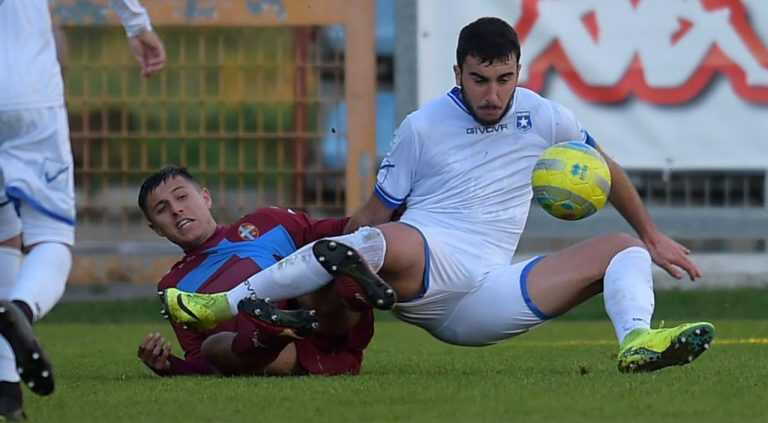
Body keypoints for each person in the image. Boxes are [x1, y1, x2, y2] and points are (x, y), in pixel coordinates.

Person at [161, 17, 715, 374]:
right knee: (377, 238)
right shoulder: (423, 127)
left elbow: (605, 168)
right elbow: (373, 212)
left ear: (519, 71)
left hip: (489, 292)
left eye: (504, 78)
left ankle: (636, 343)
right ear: (458, 72)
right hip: (427, 259)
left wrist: (651, 234)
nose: (493, 93)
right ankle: (223, 304)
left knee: (623, 250)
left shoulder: (546, 116)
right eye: (480, 79)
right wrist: (341, 237)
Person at [0, 0, 166, 422]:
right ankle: (20, 309)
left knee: (3, 235)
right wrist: (137, 24)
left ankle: (6, 390)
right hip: (29, 98)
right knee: (50, 236)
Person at [137, 166, 375, 378]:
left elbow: (341, 230)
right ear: (156, 228)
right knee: (214, 347)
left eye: (182, 197)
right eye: (162, 209)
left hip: (329, 324)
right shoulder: (174, 286)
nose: (176, 210)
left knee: (318, 262)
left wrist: (397, 216)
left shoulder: (267, 221)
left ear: (205, 197)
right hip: (278, 358)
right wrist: (169, 365)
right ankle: (271, 334)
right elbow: (204, 362)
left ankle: (353, 289)